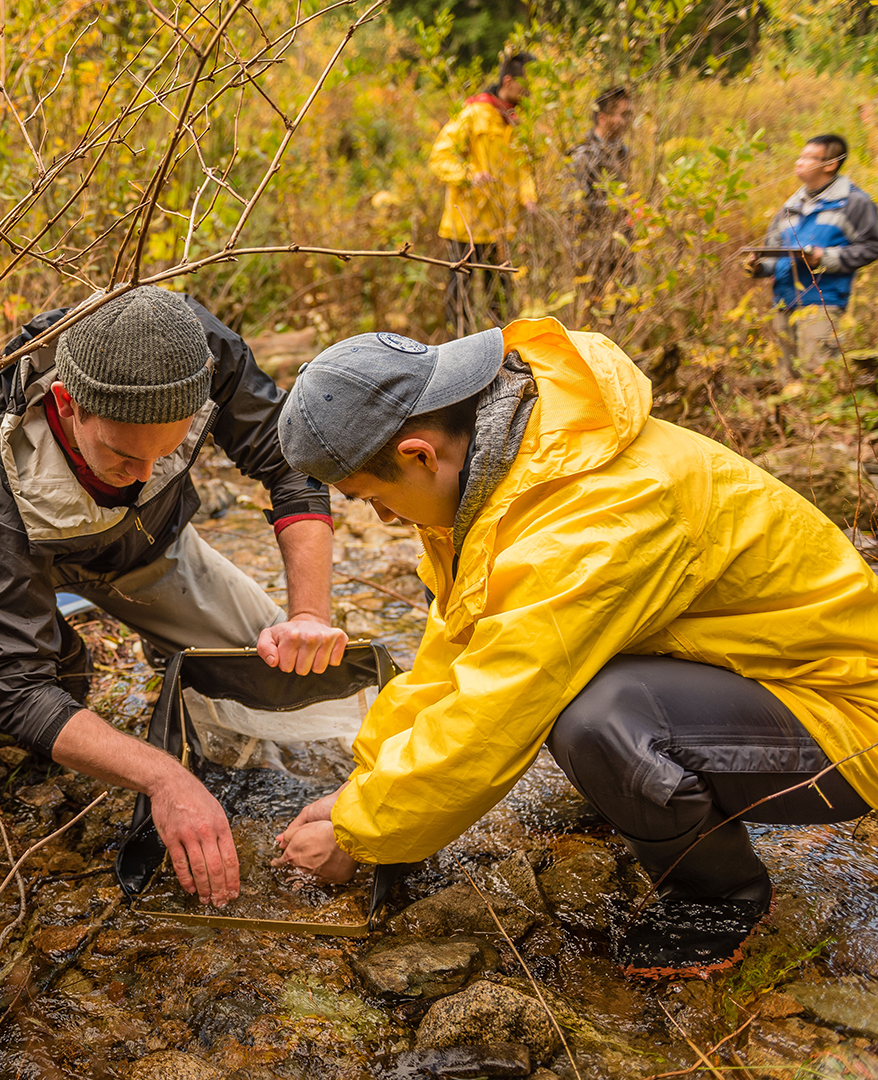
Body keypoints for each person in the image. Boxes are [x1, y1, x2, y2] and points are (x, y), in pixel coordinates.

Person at [272, 321, 878, 977]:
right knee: (576, 692)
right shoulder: (505, 473)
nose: (386, 520)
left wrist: (360, 835)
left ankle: (719, 899)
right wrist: (364, 785)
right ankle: (661, 799)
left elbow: (496, 709)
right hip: (754, 682)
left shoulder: (593, 515)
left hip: (846, 723)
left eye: (376, 500)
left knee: (596, 718)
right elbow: (456, 655)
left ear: (420, 455)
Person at [0, 286, 347, 909]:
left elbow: (291, 464)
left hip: (157, 554)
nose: (144, 475)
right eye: (123, 455)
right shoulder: (1, 470)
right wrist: (162, 776)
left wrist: (309, 614)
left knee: (285, 684)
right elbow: (17, 691)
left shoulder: (195, 354)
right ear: (68, 404)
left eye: (165, 452)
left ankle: (166, 641)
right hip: (38, 570)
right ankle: (68, 660)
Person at [745, 134, 878, 384]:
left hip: (822, 303)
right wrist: (758, 265)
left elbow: (872, 246)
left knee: (817, 381)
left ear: (830, 164)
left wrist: (824, 257)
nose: (799, 162)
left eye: (808, 158)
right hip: (783, 303)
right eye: (800, 156)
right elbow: (773, 250)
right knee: (787, 381)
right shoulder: (789, 206)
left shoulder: (854, 202)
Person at [428, 52, 538, 336]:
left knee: (501, 302)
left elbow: (523, 167)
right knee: (459, 298)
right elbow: (440, 158)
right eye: (526, 83)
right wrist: (469, 175)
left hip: (500, 228)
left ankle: (500, 358)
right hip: (465, 225)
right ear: (509, 81)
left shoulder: (518, 120)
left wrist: (529, 196)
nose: (529, 90)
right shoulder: (474, 112)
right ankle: (454, 353)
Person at [568, 86, 634, 295]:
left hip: (622, 250)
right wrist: (615, 208)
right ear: (603, 118)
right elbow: (574, 207)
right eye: (622, 115)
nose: (627, 121)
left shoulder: (623, 152)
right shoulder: (582, 156)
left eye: (629, 115)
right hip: (591, 253)